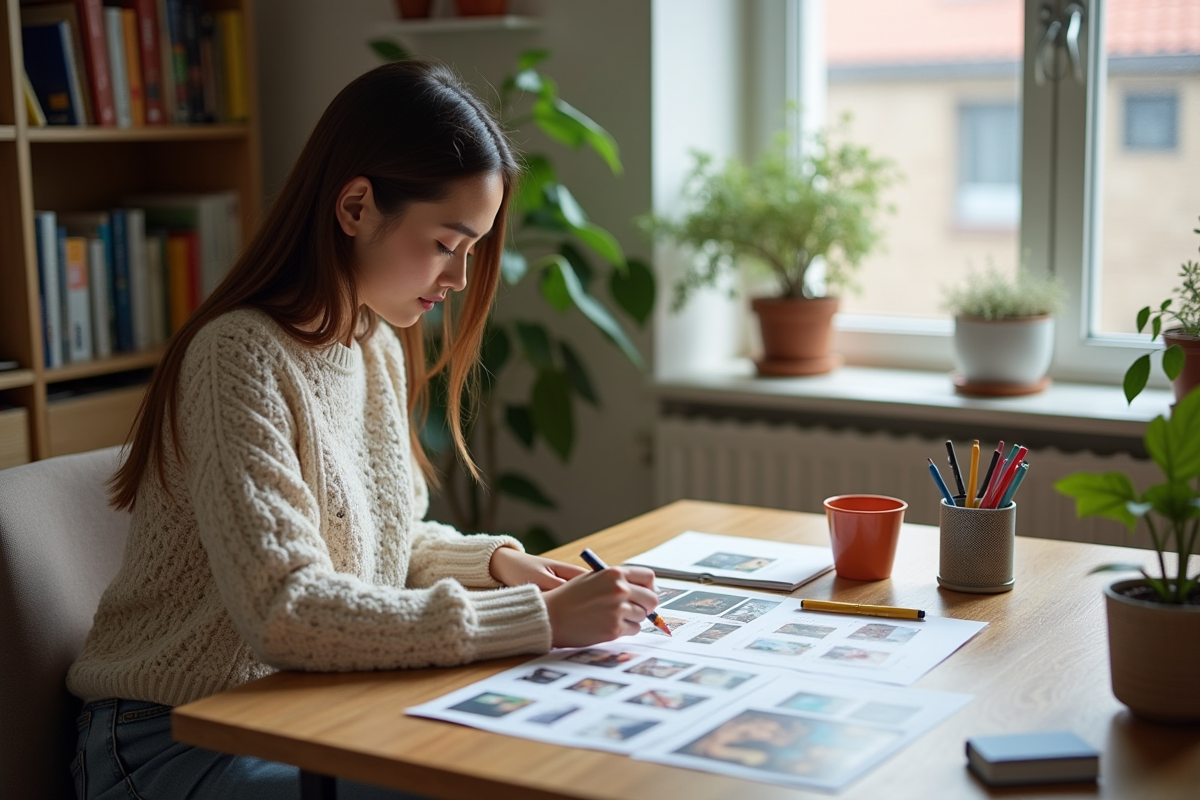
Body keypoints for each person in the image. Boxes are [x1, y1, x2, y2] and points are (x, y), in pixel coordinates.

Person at [66, 61, 659, 800]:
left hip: (303, 712)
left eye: (472, 250)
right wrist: (536, 618)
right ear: (355, 206)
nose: (460, 279)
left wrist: (501, 566)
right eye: (446, 243)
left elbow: (387, 543)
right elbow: (287, 611)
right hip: (174, 740)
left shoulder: (371, 343)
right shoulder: (238, 355)